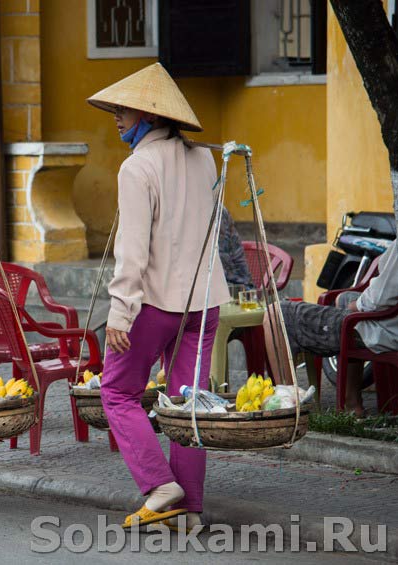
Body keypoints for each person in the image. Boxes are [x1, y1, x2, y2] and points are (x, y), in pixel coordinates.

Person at [87, 63, 229, 531]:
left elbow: (133, 251)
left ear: (150, 115)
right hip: (204, 302)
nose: (116, 116)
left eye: (123, 110)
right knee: (185, 405)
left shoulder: (137, 167)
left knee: (117, 391)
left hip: (154, 304)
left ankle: (159, 485)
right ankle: (189, 511)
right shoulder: (202, 160)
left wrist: (120, 312)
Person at [265, 239, 398, 416]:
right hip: (388, 325)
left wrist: (356, 306)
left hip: (383, 329)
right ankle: (352, 404)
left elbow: (381, 297)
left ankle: (288, 407)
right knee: (344, 298)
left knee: (277, 313)